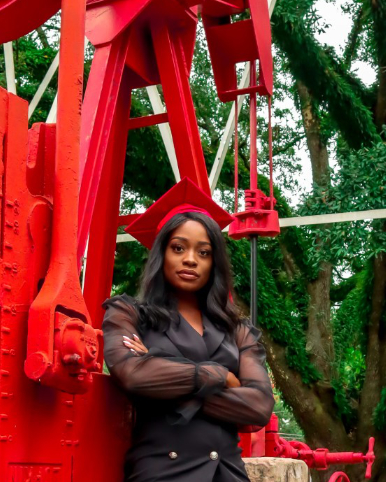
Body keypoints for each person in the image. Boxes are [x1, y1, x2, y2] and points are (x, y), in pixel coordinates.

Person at [103, 178, 275, 482]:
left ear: (214, 263)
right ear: (162, 255)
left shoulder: (237, 330)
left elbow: (259, 407)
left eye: (204, 252)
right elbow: (132, 373)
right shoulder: (129, 313)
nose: (190, 260)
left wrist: (163, 378)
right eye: (178, 248)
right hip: (163, 473)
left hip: (229, 474)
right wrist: (220, 376)